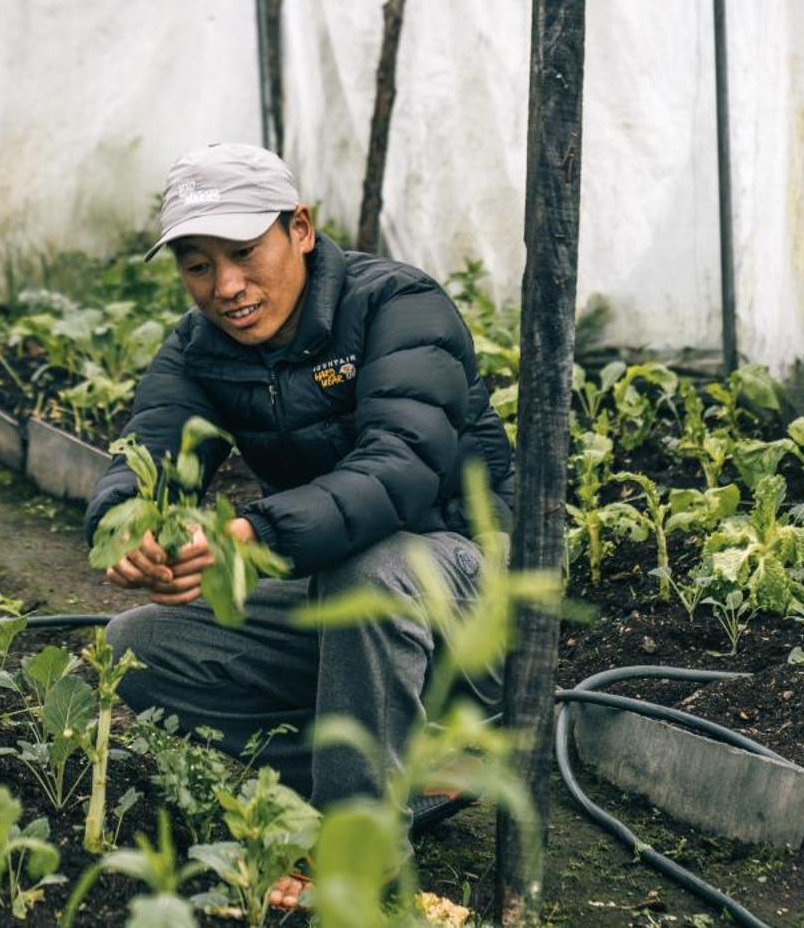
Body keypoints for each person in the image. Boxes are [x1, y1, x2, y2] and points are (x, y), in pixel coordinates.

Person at [84, 142, 516, 894]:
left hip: (472, 603)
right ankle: (417, 766)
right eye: (197, 264)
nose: (226, 286)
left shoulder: (397, 306)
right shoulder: (200, 351)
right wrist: (129, 525)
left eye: (246, 252)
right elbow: (146, 446)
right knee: (138, 645)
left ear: (302, 229)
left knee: (373, 570)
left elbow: (399, 468)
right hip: (341, 594)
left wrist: (257, 535)